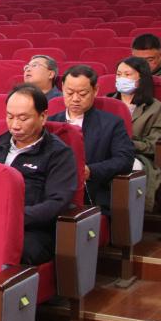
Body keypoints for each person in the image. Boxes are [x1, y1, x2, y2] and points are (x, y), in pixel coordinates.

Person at [0, 84, 77, 265]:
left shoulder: (58, 153)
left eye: (23, 118)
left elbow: (57, 202)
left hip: (32, 228)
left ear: (43, 117)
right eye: (10, 117)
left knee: (5, 248)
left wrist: (13, 218)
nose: (15, 125)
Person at [48, 65, 135, 211]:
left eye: (82, 94)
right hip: (53, 192)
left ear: (95, 90)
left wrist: (91, 171)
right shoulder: (50, 123)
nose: (75, 99)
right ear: (62, 88)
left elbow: (124, 160)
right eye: (69, 92)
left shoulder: (111, 123)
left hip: (92, 193)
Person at [108, 57, 161, 209]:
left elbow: (154, 145)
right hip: (105, 153)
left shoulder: (154, 107)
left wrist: (127, 143)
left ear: (141, 79)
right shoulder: (107, 102)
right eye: (119, 74)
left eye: (127, 75)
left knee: (128, 165)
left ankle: (127, 214)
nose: (122, 78)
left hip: (137, 155)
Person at [132, 33, 161, 133]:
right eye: (138, 60)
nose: (143, 65)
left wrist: (160, 114)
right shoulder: (127, 74)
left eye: (150, 60)